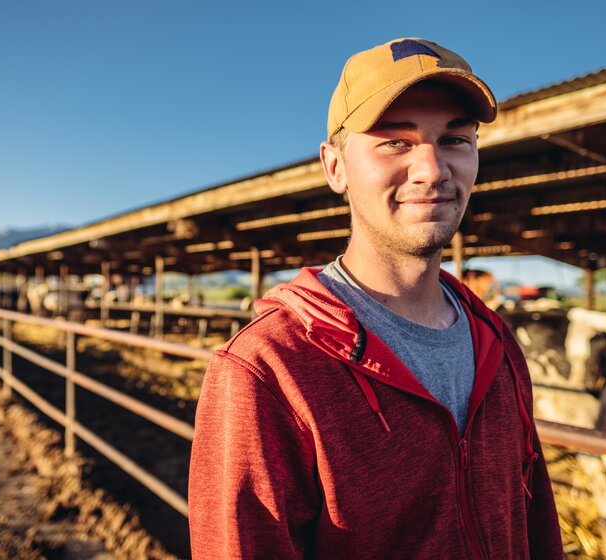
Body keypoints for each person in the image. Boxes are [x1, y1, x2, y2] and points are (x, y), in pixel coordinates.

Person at [189, 37, 563, 559]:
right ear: (335, 168)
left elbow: (537, 523)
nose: (432, 169)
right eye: (395, 142)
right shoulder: (268, 368)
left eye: (456, 140)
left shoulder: (496, 343)